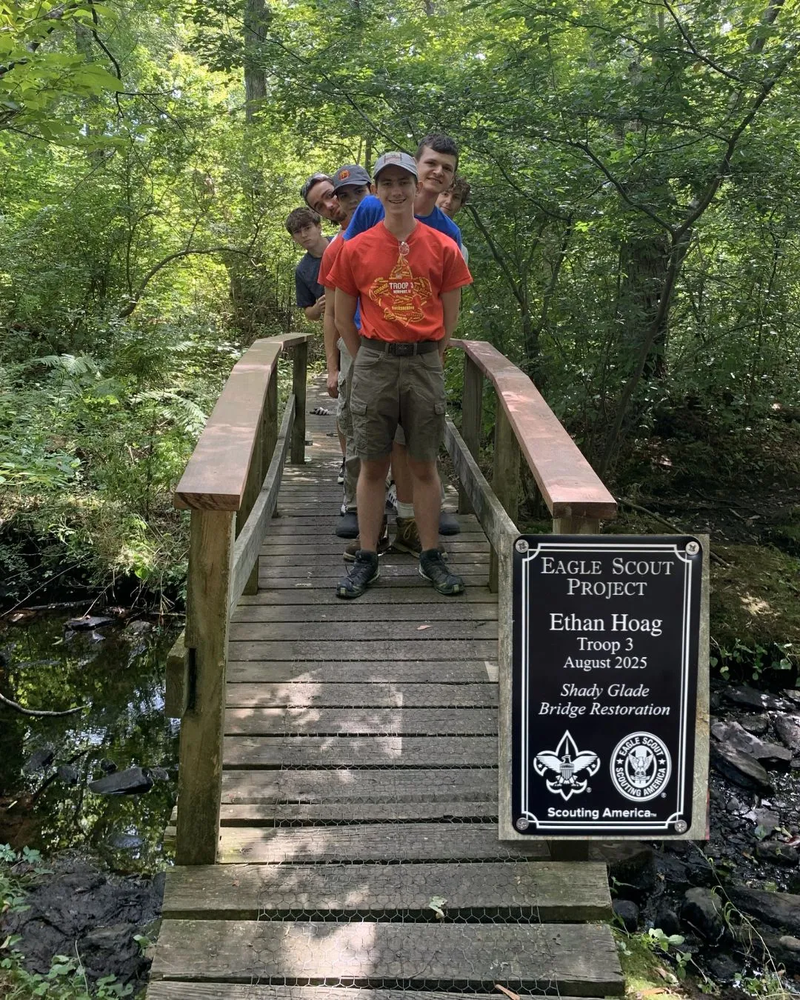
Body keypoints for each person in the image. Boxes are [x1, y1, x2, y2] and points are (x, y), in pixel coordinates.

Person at [329, 151, 472, 599]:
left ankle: (431, 556)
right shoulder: (357, 248)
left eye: (403, 183)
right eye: (386, 183)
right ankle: (367, 558)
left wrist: (432, 352)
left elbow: (451, 314)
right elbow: (342, 311)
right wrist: (367, 356)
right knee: (373, 464)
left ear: (416, 188)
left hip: (424, 360)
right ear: (376, 191)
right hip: (374, 358)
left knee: (424, 462)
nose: (396, 191)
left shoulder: (442, 246)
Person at [316, 165, 373, 542]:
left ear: (372, 191)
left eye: (358, 193)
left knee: (401, 428)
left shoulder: (403, 234)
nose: (351, 202)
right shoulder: (337, 247)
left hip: (393, 342)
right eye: (344, 196)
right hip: (357, 346)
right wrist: (334, 367)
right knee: (354, 425)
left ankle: (404, 506)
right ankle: (353, 503)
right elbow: (332, 314)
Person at [285, 207, 330, 322]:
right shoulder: (302, 270)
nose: (304, 235)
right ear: (294, 238)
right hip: (336, 323)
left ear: (319, 227)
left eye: (307, 228)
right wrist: (317, 308)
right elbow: (308, 312)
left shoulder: (342, 242)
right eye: (297, 232)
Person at [437, 175, 471, 264]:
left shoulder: (460, 249)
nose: (449, 201)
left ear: (461, 204)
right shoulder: (412, 226)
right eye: (445, 194)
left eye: (455, 197)